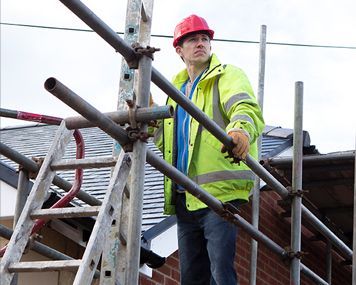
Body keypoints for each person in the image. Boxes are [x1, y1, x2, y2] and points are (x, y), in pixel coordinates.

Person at [153, 14, 265, 285]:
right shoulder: (175, 90)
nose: (201, 43)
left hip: (219, 195)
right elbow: (165, 140)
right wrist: (146, 123)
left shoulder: (227, 75)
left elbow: (245, 108)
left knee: (221, 275)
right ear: (179, 49)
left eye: (205, 38)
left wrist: (240, 130)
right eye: (193, 39)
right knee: (191, 278)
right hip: (185, 196)